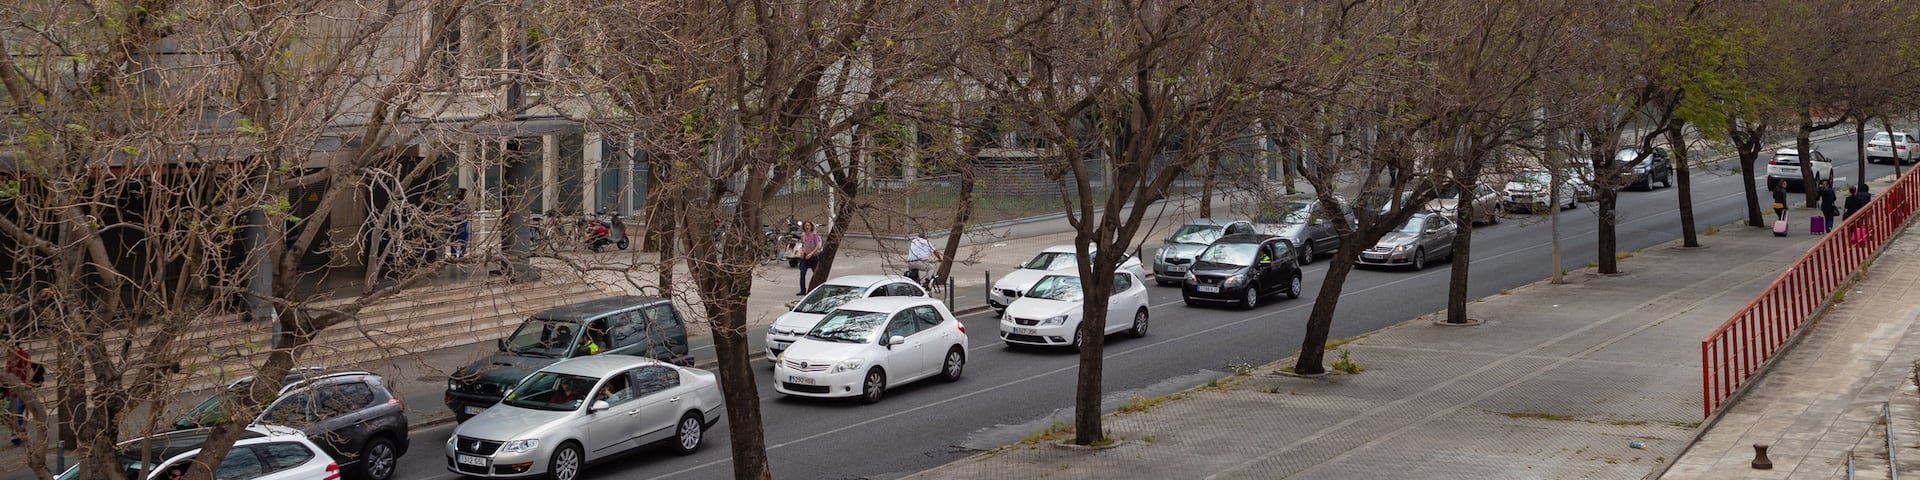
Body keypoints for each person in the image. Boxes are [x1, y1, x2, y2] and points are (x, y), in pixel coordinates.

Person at [5, 346, 29, 447]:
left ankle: (17, 435)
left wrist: (26, 385)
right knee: (10, 413)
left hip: (19, 390)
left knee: (17, 413)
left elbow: (28, 370)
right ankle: (20, 432)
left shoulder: (22, 356)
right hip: (10, 390)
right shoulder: (10, 356)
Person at [797, 222, 822, 295]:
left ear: (811, 227)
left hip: (813, 257)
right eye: (805, 226)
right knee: (802, 272)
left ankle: (816, 288)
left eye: (808, 225)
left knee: (815, 273)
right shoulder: (803, 235)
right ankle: (802, 290)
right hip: (804, 256)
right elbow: (802, 245)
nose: (807, 227)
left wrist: (811, 254)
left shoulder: (814, 235)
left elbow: (817, 246)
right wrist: (801, 251)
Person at [449, 188, 472, 258]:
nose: (466, 196)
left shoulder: (452, 204)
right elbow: (469, 211)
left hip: (454, 224)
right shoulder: (464, 204)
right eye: (465, 194)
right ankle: (461, 255)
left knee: (453, 240)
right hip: (462, 223)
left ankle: (453, 255)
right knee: (463, 240)